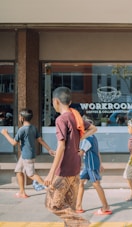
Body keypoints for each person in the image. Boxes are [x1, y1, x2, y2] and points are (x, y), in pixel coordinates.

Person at [44, 86, 97, 227]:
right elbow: (93, 128)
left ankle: (83, 224)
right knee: (69, 206)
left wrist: (50, 174)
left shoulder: (61, 119)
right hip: (75, 168)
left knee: (52, 204)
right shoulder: (75, 116)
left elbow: (61, 145)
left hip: (63, 170)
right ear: (70, 101)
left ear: (55, 101)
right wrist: (78, 139)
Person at [1, 108, 55, 198]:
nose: (18, 118)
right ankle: (22, 192)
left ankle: (48, 186)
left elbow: (14, 143)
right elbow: (40, 140)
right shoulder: (33, 127)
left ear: (21, 118)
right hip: (26, 154)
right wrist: (49, 149)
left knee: (31, 174)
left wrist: (5, 134)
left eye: (19, 116)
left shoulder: (22, 130)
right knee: (18, 170)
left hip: (27, 155)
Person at [76, 115, 112, 215]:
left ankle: (105, 207)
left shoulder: (87, 139)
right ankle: (78, 206)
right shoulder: (93, 137)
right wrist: (100, 163)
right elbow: (98, 152)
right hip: (89, 165)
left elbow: (80, 153)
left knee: (96, 184)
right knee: (81, 182)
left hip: (91, 165)